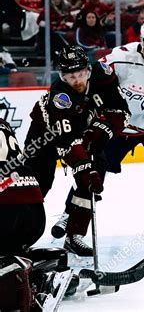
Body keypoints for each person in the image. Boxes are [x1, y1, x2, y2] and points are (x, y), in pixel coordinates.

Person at [54, 17, 144, 242]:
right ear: (141, 39)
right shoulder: (120, 56)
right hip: (117, 127)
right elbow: (93, 80)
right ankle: (69, 215)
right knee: (91, 171)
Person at [24, 45, 130, 257]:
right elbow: (67, 142)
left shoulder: (102, 73)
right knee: (36, 184)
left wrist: (105, 129)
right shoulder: (60, 96)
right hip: (43, 138)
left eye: (81, 74)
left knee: (96, 171)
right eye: (71, 77)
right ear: (63, 76)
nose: (78, 81)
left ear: (88, 70)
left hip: (82, 128)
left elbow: (120, 110)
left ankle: (75, 235)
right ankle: (19, 237)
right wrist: (84, 170)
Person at [0, 119, 78, 311]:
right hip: (34, 212)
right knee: (12, 247)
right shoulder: (3, 124)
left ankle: (12, 271)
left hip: (6, 211)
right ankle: (40, 270)